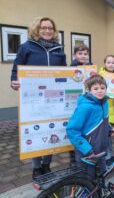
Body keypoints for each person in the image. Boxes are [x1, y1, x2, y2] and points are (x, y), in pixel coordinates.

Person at [10, 16, 67, 180]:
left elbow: (64, 71)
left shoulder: (58, 48)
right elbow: (16, 70)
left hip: (54, 98)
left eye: (50, 28)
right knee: (36, 131)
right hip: (33, 98)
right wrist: (14, 82)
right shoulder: (26, 47)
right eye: (44, 28)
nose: (47, 31)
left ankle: (46, 166)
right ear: (37, 29)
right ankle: (36, 168)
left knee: (52, 130)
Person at [66, 74, 112, 178]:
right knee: (87, 181)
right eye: (95, 88)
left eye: (102, 88)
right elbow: (72, 130)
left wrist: (109, 128)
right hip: (87, 153)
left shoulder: (104, 103)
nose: (100, 91)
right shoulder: (85, 107)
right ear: (89, 90)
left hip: (101, 150)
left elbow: (102, 121)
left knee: (101, 177)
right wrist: (87, 150)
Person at [99, 55, 114, 166]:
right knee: (105, 135)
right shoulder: (100, 77)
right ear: (104, 63)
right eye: (108, 62)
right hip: (104, 110)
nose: (111, 64)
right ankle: (106, 157)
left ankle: (109, 155)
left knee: (109, 135)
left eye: (113, 62)